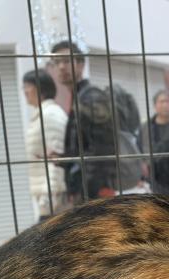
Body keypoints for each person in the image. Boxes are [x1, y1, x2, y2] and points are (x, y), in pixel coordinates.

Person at [50, 40, 118, 202]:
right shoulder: (79, 97)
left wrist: (87, 191)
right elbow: (84, 147)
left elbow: (103, 150)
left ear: (81, 64)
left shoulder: (92, 97)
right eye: (57, 62)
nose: (61, 67)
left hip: (94, 192)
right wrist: (64, 159)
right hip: (86, 190)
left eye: (66, 61)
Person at [22, 69, 69, 221]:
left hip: (54, 196)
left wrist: (49, 195)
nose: (24, 91)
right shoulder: (41, 114)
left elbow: (58, 157)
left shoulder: (50, 114)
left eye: (27, 86)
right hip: (47, 195)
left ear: (40, 88)